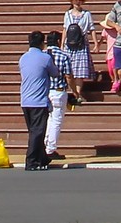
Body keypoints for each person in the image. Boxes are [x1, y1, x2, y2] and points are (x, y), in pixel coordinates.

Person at [17, 32, 55, 170]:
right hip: (38, 101)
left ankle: (42, 158)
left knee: (34, 131)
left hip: (25, 100)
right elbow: (55, 73)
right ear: (42, 43)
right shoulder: (45, 58)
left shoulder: (23, 58)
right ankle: (31, 161)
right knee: (38, 132)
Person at [44, 24, 77, 160]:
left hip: (44, 92)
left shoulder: (43, 55)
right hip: (58, 91)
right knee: (56, 121)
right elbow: (69, 76)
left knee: (47, 120)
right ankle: (50, 149)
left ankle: (45, 145)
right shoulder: (63, 56)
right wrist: (75, 92)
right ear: (59, 41)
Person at [61, 0, 97, 94]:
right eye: (75, 0)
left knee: (80, 71)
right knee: (69, 68)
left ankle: (77, 92)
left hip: (82, 43)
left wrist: (95, 43)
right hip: (69, 43)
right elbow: (65, 29)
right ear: (72, 1)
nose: (77, 2)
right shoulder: (67, 14)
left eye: (79, 0)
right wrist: (62, 44)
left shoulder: (86, 14)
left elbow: (92, 29)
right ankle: (72, 91)